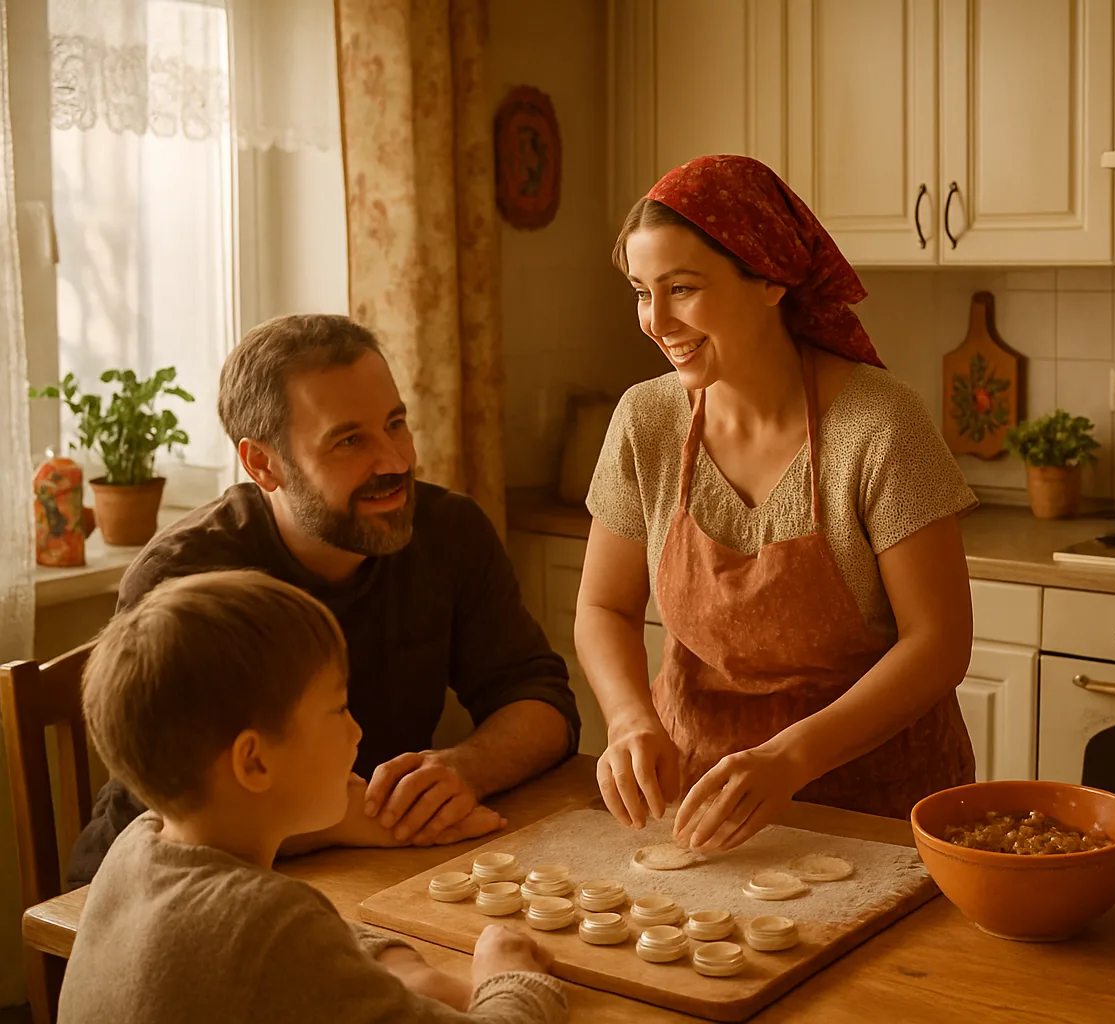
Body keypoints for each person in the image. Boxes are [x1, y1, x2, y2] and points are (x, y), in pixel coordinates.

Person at [68, 314, 579, 885]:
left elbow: (542, 700)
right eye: (349, 441)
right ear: (263, 464)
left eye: (395, 424)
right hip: (166, 886)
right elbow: (163, 811)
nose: (396, 462)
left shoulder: (451, 531)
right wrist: (353, 820)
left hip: (372, 866)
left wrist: (468, 767)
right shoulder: (183, 577)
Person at [576, 154, 978, 853]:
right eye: (642, 292)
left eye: (682, 289)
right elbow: (604, 607)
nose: (655, 321)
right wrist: (628, 718)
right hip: (700, 807)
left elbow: (938, 643)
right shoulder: (646, 420)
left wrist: (790, 758)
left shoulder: (880, 427)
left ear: (769, 278)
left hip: (875, 810)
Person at [58, 570, 567, 1024]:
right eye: (338, 710)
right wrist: (510, 975)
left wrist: (392, 960)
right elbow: (278, 936)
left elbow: (295, 941)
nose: (357, 732)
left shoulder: (138, 843)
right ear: (254, 762)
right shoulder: (266, 925)